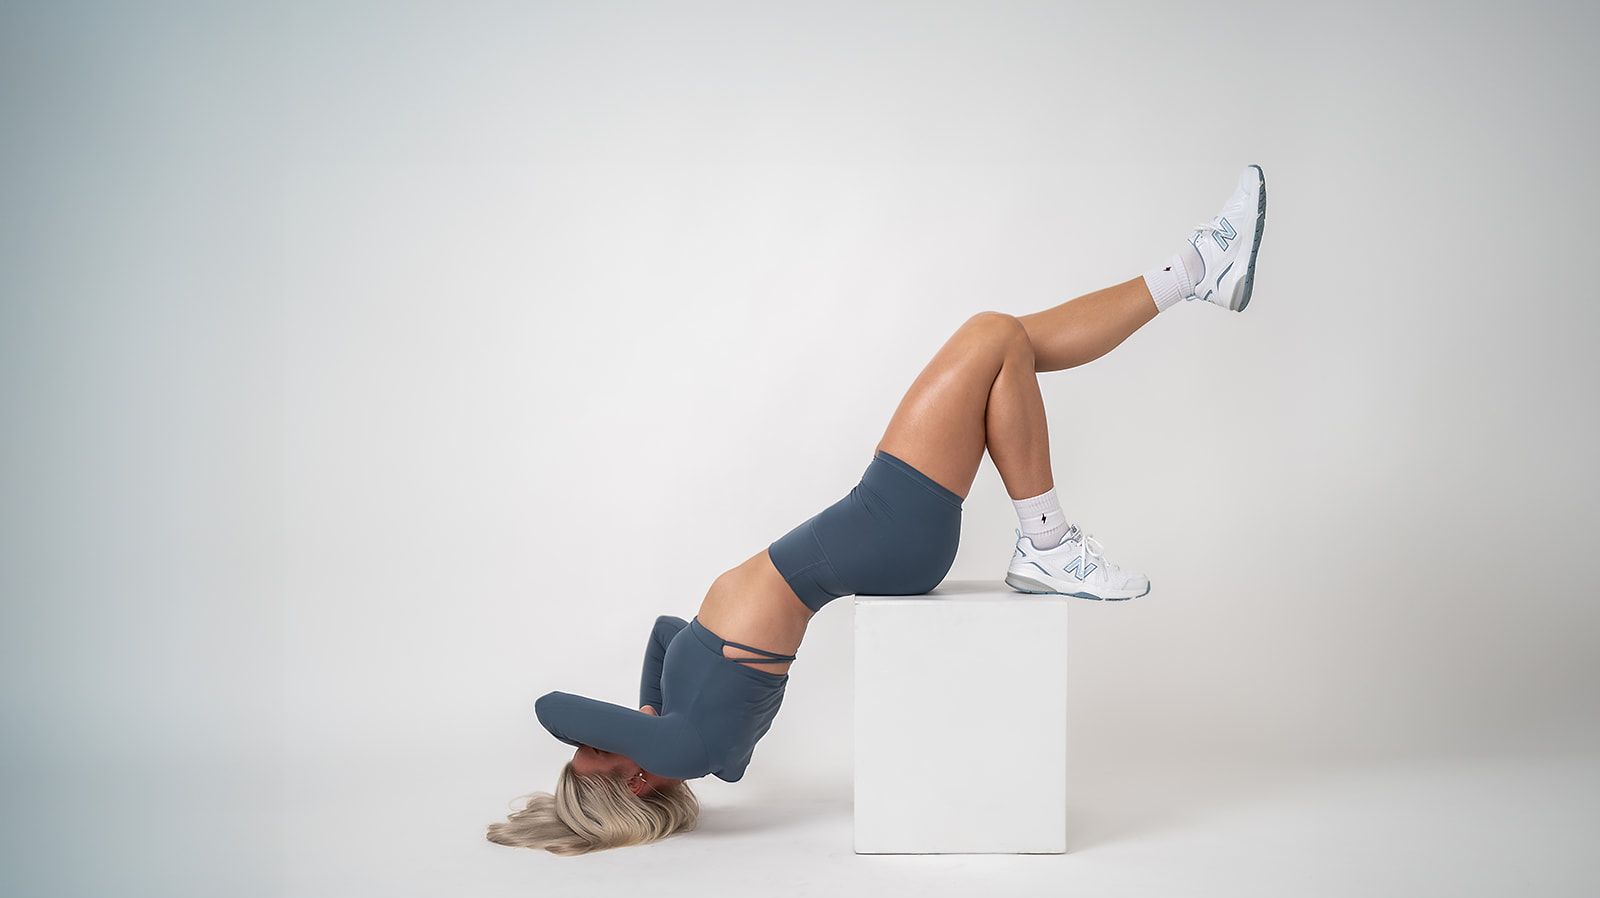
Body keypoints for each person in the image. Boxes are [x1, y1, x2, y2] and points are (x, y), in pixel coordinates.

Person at [487, 165, 1268, 855]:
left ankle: (1198, 269)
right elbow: (553, 708)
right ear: (636, 780)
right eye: (597, 752)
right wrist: (633, 725)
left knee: (1007, 344)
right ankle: (1052, 537)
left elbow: (666, 631)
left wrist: (647, 701)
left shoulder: (671, 725)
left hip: (870, 530)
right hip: (886, 533)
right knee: (992, 333)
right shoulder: (688, 749)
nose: (594, 736)